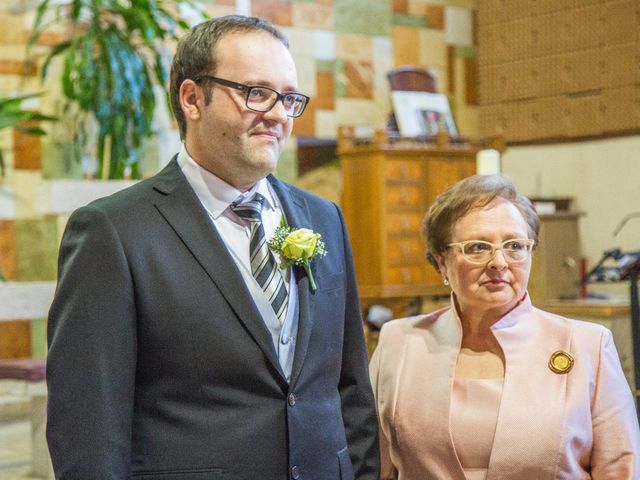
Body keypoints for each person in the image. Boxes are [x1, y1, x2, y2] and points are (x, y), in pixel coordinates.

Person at [46, 15, 379, 480]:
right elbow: (88, 423)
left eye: (289, 98)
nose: (280, 115)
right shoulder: (114, 231)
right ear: (191, 98)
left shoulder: (323, 217)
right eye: (256, 93)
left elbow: (349, 385)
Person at [369, 174, 640, 479]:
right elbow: (374, 469)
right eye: (477, 247)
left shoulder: (588, 345)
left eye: (514, 245)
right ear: (441, 262)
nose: (499, 261)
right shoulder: (399, 342)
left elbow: (621, 471)